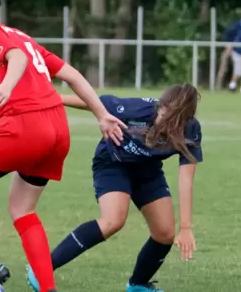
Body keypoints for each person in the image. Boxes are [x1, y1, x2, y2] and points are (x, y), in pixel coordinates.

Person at [0, 0, 126, 292]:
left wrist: (7, 88)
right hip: (57, 128)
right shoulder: (20, 35)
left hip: (26, 126)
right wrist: (101, 114)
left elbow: (16, 60)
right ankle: (47, 289)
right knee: (22, 209)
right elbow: (73, 75)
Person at [27, 83, 203, 292]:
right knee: (113, 221)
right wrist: (51, 99)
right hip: (112, 163)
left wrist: (185, 229)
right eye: (163, 113)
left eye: (173, 119)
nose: (163, 121)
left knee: (165, 233)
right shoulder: (134, 109)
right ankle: (41, 268)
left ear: (186, 119)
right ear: (160, 105)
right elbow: (93, 102)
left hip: (147, 171)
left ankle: (138, 285)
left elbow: (186, 180)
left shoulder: (191, 131)